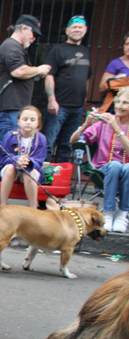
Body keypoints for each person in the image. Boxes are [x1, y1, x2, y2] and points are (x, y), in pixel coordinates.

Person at [0, 14, 50, 159]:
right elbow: (18, 71)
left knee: (7, 145)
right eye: (33, 34)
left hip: (11, 108)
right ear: (24, 28)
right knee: (5, 146)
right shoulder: (11, 46)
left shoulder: (13, 47)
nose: (34, 38)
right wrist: (39, 69)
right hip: (8, 108)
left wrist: (33, 73)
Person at [70, 87, 129, 233]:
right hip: (103, 168)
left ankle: (123, 213)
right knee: (115, 165)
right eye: (118, 102)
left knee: (127, 168)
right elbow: (73, 140)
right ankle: (108, 212)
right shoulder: (104, 122)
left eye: (126, 103)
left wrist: (117, 129)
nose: (120, 106)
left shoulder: (113, 123)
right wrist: (86, 124)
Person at [43, 15, 90, 163]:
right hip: (59, 106)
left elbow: (87, 78)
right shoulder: (58, 50)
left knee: (67, 144)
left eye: (80, 27)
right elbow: (49, 75)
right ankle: (42, 177)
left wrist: (84, 100)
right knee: (49, 143)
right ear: (67, 30)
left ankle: (60, 178)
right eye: (74, 27)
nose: (77, 30)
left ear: (85, 30)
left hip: (77, 107)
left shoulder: (86, 51)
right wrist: (52, 100)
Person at [0, 105, 46, 209]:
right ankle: (2, 205)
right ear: (18, 121)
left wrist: (27, 162)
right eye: (25, 119)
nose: (28, 122)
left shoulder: (41, 138)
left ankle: (33, 208)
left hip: (30, 169)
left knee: (29, 172)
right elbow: (3, 157)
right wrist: (16, 161)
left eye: (32, 120)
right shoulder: (10, 135)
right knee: (10, 168)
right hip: (11, 168)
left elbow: (39, 160)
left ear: (38, 123)